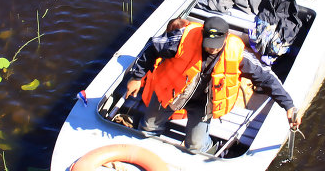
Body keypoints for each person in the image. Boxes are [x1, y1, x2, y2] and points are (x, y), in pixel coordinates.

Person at [125, 15, 302, 153]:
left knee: (195, 146)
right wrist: (136, 77)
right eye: (209, 44)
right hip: (171, 93)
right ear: (202, 34)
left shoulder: (238, 53)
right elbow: (152, 47)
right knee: (147, 129)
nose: (212, 49)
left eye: (217, 45)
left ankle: (212, 147)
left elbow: (267, 78)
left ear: (226, 37)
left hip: (203, 103)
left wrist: (288, 105)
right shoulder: (180, 39)